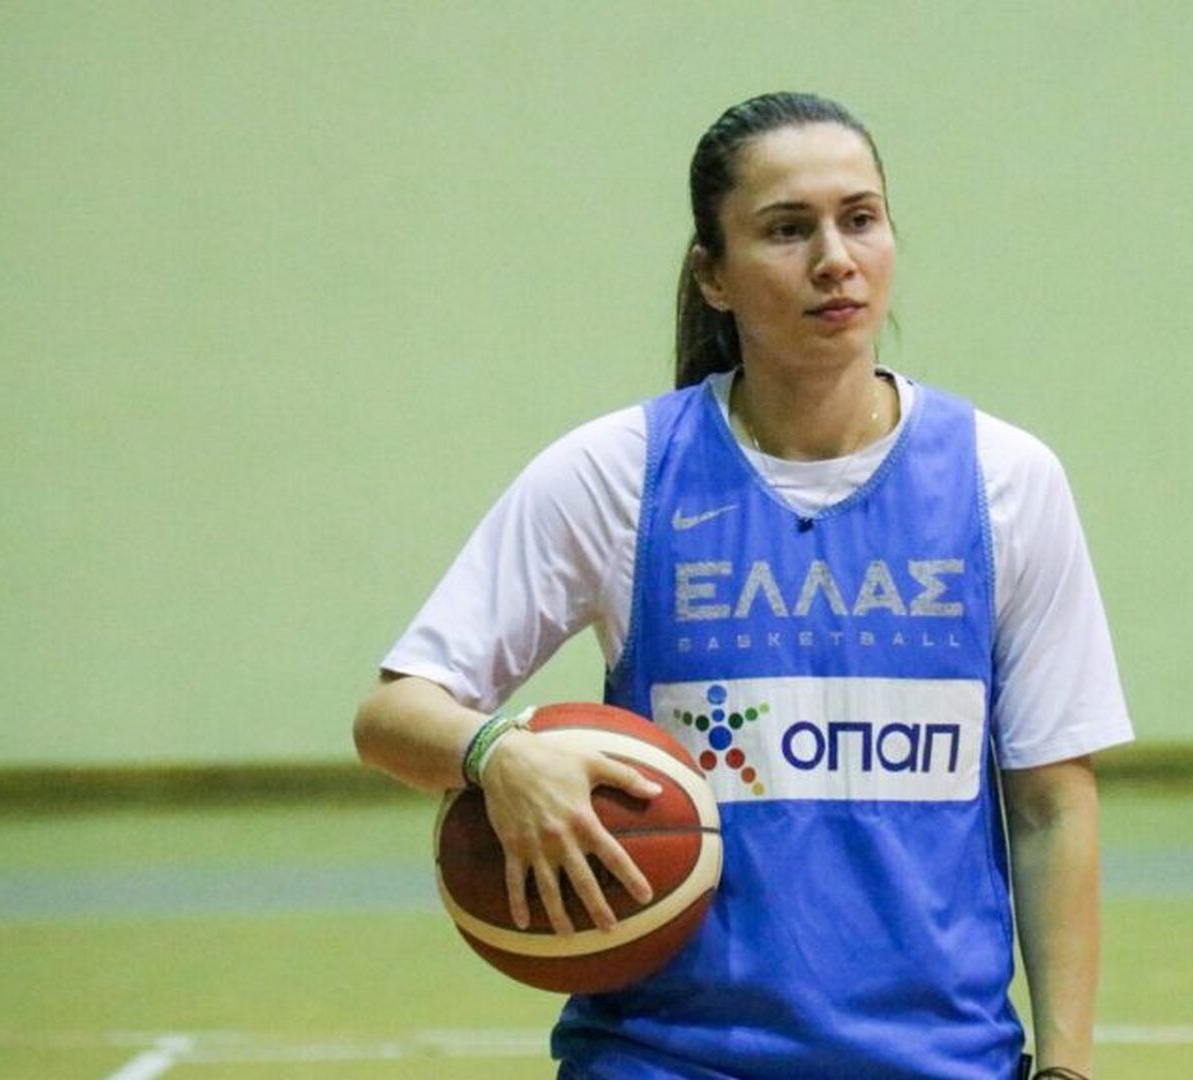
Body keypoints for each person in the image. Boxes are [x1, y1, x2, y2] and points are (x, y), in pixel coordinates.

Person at [354, 91, 1133, 1080]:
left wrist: (1065, 1069)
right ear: (713, 276)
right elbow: (392, 715)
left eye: (860, 218)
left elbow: (1051, 806)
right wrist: (496, 753)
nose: (835, 258)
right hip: (662, 1058)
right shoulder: (620, 473)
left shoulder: (1003, 479)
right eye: (787, 229)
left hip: (938, 1059)